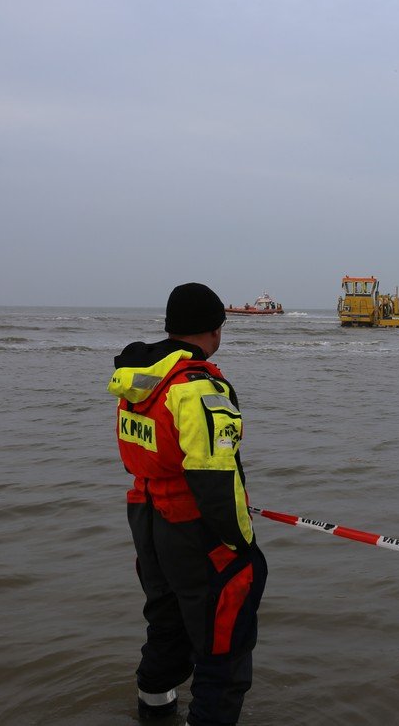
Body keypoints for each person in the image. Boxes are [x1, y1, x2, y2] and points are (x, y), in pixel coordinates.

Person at [107, 283, 267, 725]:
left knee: (167, 627)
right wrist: (241, 545)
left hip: (146, 517)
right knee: (225, 646)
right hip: (191, 525)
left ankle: (153, 714)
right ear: (215, 330)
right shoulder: (196, 388)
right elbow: (215, 477)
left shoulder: (141, 382)